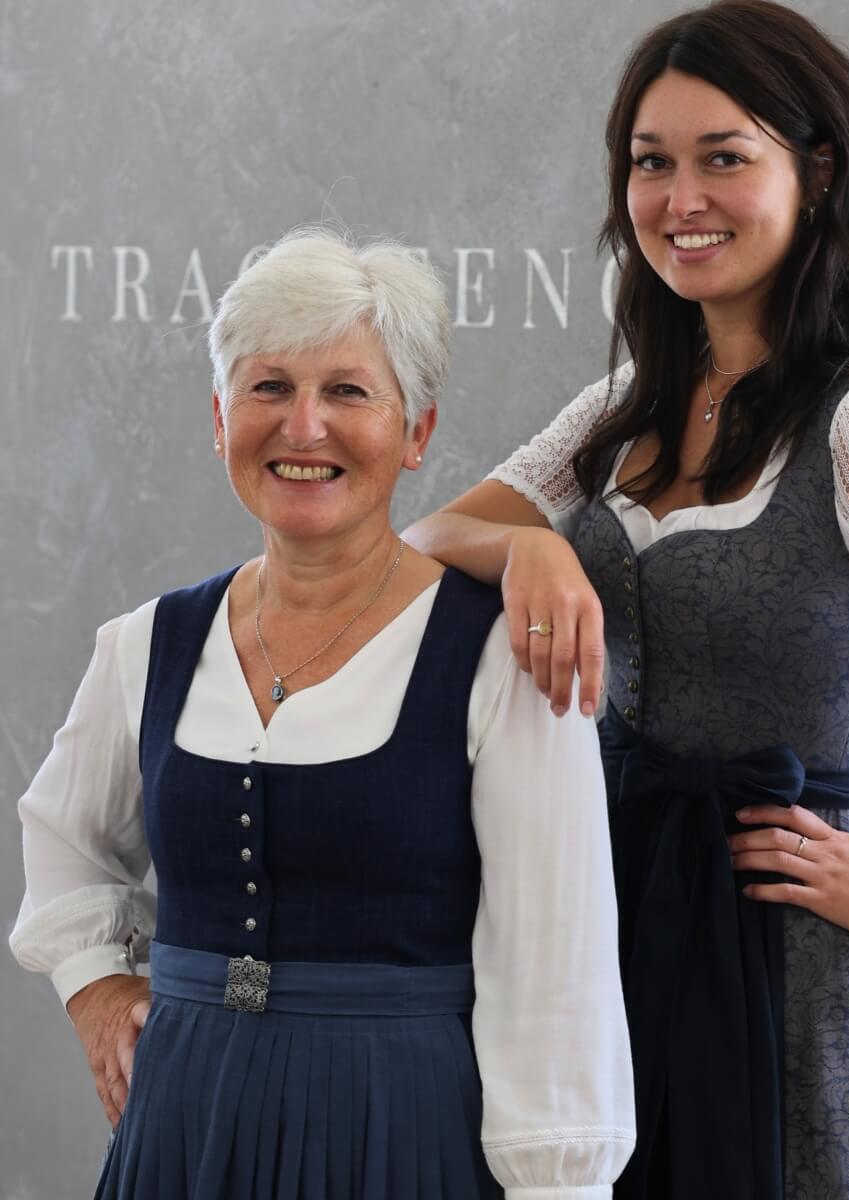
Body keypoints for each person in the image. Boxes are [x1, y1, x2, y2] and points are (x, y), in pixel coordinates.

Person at [402, 3, 849, 1197]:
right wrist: (527, 554)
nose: (679, 198)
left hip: (798, 977)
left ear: (818, 170)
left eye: (723, 158)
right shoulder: (638, 394)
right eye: (652, 163)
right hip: (619, 921)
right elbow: (430, 541)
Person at [10, 228, 635, 1199]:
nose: (303, 429)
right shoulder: (147, 642)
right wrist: (97, 987)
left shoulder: (504, 654)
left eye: (348, 391)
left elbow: (556, 978)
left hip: (400, 1133)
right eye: (269, 388)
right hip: (182, 1130)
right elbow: (60, 835)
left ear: (416, 431)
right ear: (220, 418)